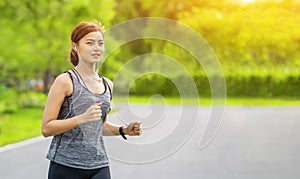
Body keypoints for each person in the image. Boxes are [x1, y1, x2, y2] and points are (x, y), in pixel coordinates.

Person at [41, 21, 142, 179]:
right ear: (75, 46)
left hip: (99, 165)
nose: (97, 48)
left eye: (100, 43)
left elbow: (100, 126)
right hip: (66, 166)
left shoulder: (107, 84)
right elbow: (46, 128)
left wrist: (124, 130)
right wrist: (81, 118)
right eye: (90, 43)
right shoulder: (65, 81)